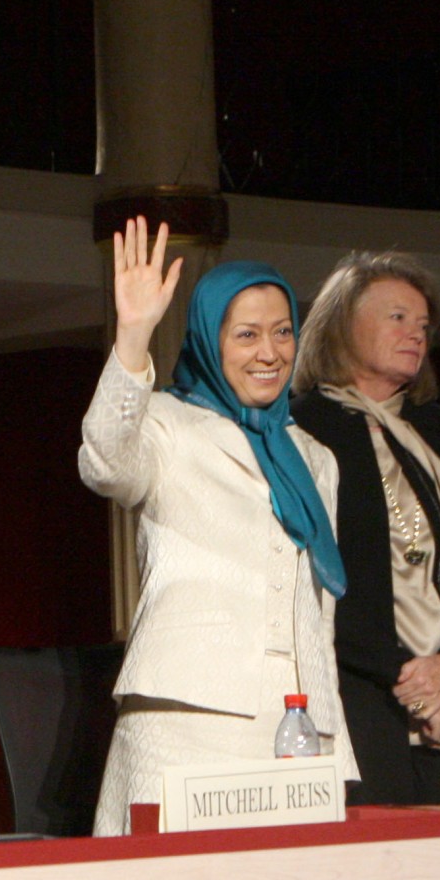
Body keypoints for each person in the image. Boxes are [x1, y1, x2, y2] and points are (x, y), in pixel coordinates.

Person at [82, 220, 353, 835]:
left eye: (283, 332)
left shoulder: (314, 458)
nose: (270, 352)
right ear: (210, 340)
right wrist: (133, 336)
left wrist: (327, 714)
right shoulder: (167, 425)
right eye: (247, 334)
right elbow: (104, 460)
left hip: (300, 724)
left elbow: (320, 605)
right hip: (187, 719)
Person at [290, 252, 440, 804]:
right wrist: (416, 687)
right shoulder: (305, 425)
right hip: (363, 687)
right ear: (343, 323)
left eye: (423, 325)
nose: (416, 333)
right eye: (397, 318)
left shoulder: (436, 427)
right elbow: (313, 578)